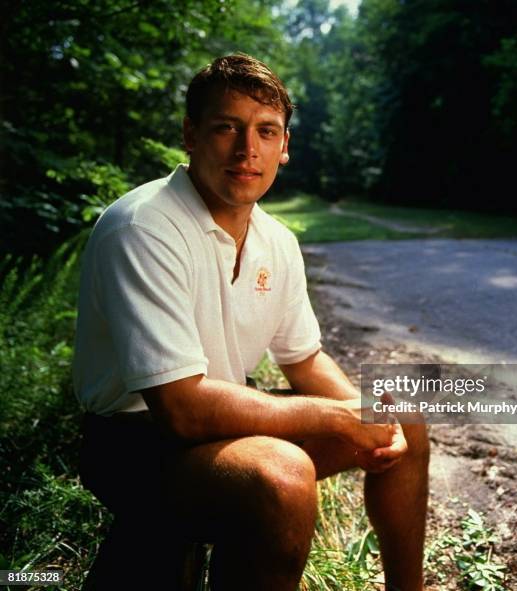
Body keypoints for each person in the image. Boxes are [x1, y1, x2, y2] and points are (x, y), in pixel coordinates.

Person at [73, 53, 429, 591]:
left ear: (284, 148)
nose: (247, 150)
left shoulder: (278, 242)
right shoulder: (143, 228)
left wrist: (366, 420)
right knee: (280, 476)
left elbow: (304, 358)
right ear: (191, 135)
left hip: (226, 420)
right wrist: (337, 418)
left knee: (404, 417)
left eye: (266, 131)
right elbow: (184, 411)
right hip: (131, 440)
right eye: (226, 128)